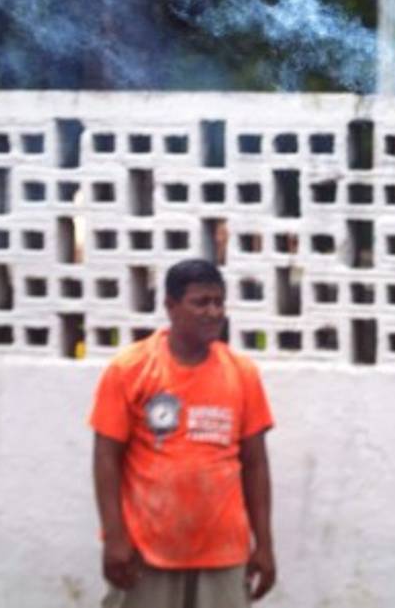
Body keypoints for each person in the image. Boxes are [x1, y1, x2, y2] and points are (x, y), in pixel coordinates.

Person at [90, 259, 276, 608]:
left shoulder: (242, 373)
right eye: (201, 302)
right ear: (171, 306)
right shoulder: (129, 369)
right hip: (147, 552)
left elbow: (255, 465)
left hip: (224, 553)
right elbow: (106, 457)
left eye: (219, 302)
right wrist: (114, 537)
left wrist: (264, 544)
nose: (213, 312)